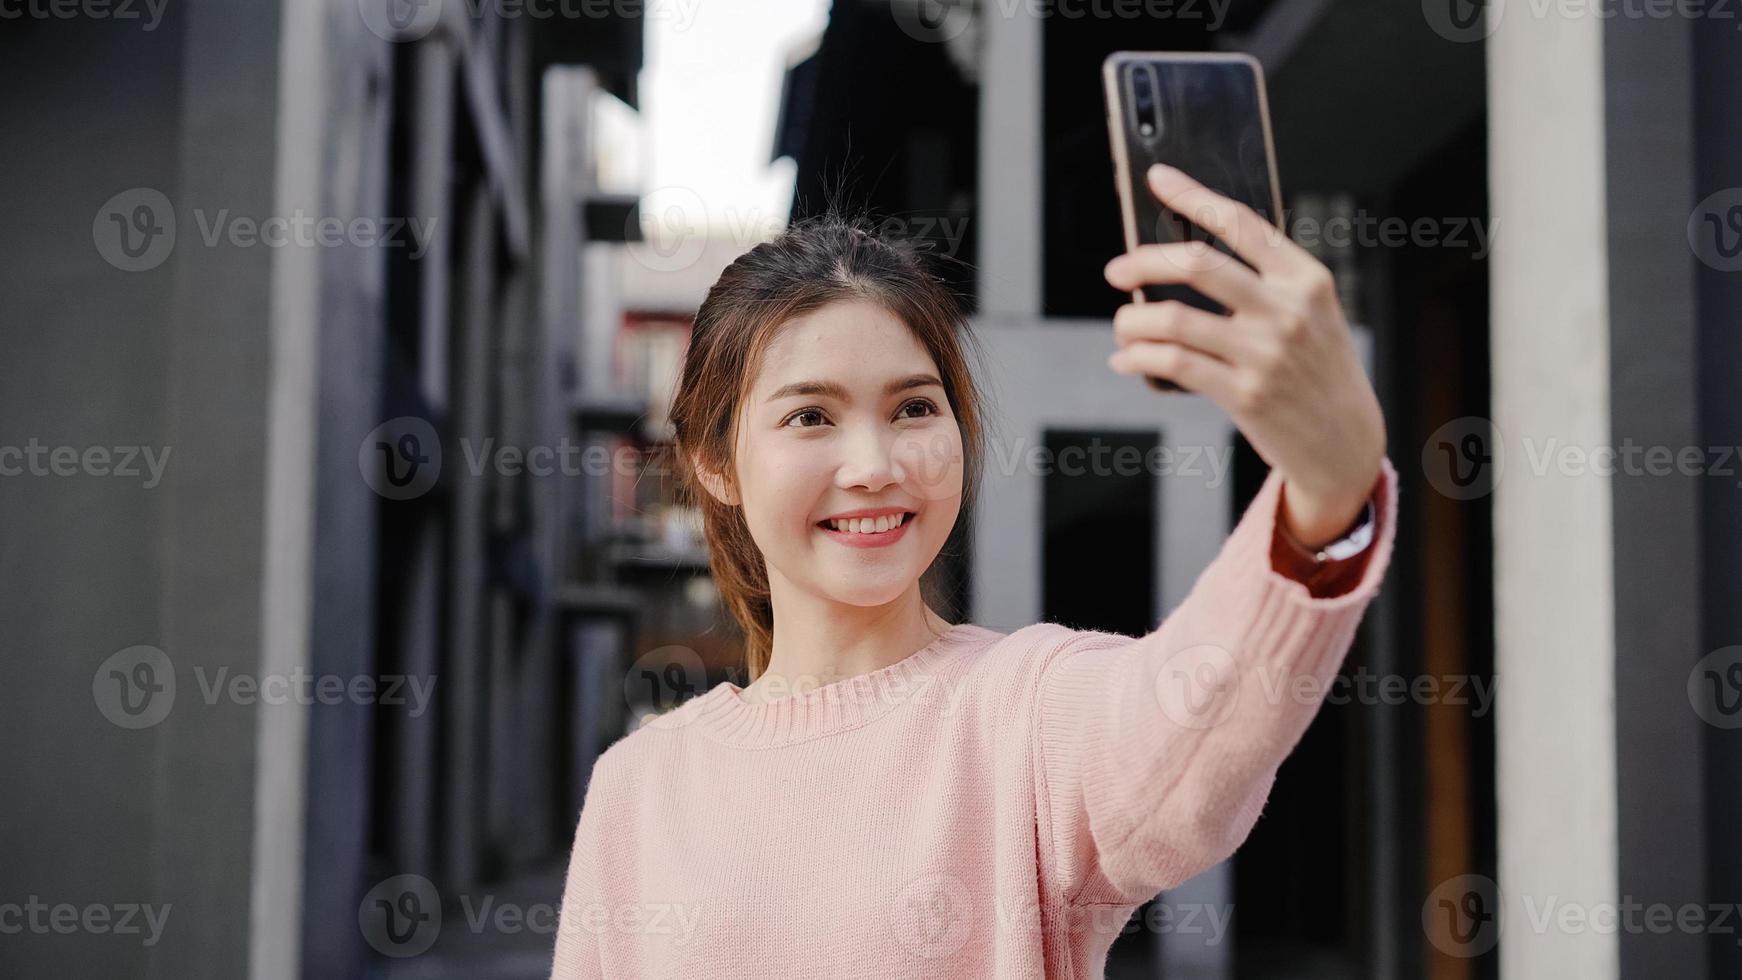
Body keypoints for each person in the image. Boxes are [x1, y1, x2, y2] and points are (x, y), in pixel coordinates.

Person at [548, 164, 1396, 979]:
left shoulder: (1027, 710)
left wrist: (1327, 492)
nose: (874, 465)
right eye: (811, 416)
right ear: (713, 461)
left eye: (914, 407)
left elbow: (1195, 722)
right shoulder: (640, 786)